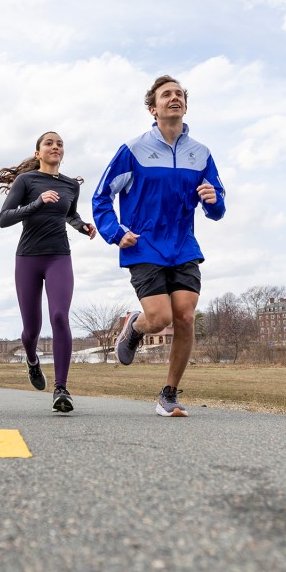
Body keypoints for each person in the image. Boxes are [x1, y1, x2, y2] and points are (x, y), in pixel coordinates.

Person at [92, 75, 226, 417]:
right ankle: (135, 326)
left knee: (184, 316)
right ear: (153, 109)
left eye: (179, 94)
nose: (174, 98)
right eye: (167, 95)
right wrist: (115, 232)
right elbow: (101, 197)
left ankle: (169, 394)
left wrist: (213, 201)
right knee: (159, 316)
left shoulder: (201, 153)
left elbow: (217, 207)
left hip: (183, 245)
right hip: (144, 243)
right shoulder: (133, 150)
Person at [0, 131, 96, 413]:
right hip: (28, 258)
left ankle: (61, 388)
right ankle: (32, 360)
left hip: (59, 256)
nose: (55, 146)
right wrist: (37, 203)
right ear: (38, 153)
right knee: (31, 330)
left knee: (60, 316)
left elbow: (70, 214)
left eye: (59, 143)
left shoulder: (71, 185)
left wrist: (82, 225)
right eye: (49, 143)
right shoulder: (26, 181)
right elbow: (4, 218)